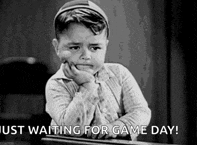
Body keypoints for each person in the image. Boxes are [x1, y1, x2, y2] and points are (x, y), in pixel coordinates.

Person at [45, 0, 151, 140]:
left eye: (95, 48)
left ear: (105, 46)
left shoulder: (119, 74)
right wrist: (87, 85)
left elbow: (141, 112)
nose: (86, 56)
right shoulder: (57, 84)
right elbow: (71, 130)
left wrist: (116, 127)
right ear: (57, 47)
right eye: (74, 47)